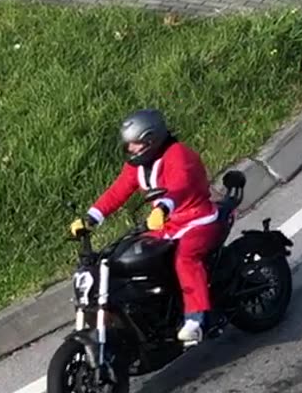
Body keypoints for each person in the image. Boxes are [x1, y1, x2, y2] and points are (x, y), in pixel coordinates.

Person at [69, 109, 219, 344]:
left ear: (151, 140)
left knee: (185, 258)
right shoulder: (138, 165)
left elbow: (179, 186)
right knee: (133, 254)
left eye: (135, 144)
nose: (130, 149)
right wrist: (91, 218)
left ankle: (195, 319)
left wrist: (163, 208)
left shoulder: (178, 155)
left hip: (195, 219)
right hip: (166, 224)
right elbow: (118, 191)